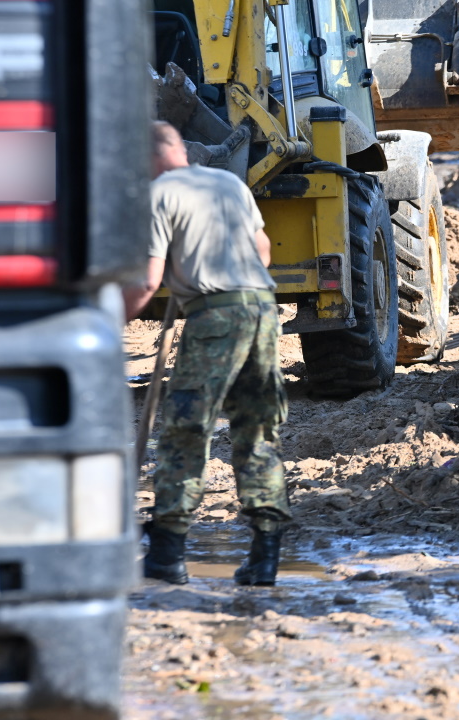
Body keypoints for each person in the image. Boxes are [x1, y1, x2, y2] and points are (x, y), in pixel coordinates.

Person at [125, 121, 290, 587]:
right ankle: (266, 555)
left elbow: (145, 283)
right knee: (257, 430)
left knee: (185, 430)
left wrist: (105, 326)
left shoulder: (158, 195)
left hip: (216, 318)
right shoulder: (228, 183)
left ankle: (167, 554)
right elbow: (264, 251)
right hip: (262, 309)